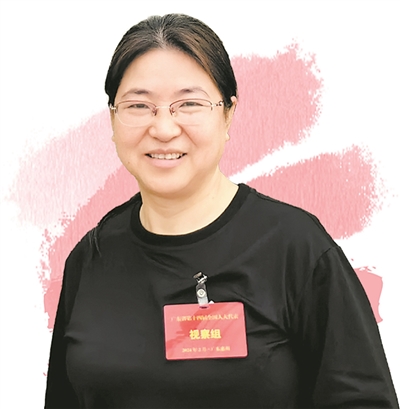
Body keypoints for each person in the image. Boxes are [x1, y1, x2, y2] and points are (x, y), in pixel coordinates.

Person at [44, 13, 399, 409]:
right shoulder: (90, 259)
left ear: (228, 113)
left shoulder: (295, 248)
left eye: (189, 104)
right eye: (139, 105)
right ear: (113, 118)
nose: (163, 128)